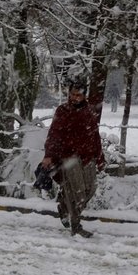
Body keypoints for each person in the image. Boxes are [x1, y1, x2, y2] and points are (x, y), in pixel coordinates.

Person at [40, 82, 104, 238]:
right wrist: (49, 155)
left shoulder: (89, 111)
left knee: (91, 188)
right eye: (73, 94)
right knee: (77, 193)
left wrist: (100, 157)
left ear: (84, 96)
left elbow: (95, 135)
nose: (76, 98)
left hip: (88, 156)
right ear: (69, 94)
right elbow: (54, 134)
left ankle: (63, 205)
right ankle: (76, 226)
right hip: (69, 157)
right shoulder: (63, 111)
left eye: (79, 95)